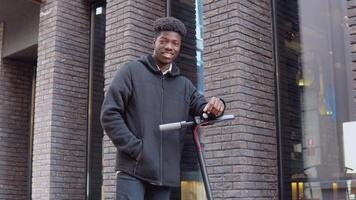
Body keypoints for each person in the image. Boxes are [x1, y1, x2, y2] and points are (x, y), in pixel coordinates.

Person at [100, 17, 225, 200]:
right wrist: (136, 149)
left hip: (164, 175)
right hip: (133, 170)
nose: (169, 46)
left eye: (175, 43)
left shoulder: (184, 85)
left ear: (179, 47)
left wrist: (217, 105)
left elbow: (203, 109)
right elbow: (109, 113)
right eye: (164, 41)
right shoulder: (131, 71)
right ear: (154, 42)